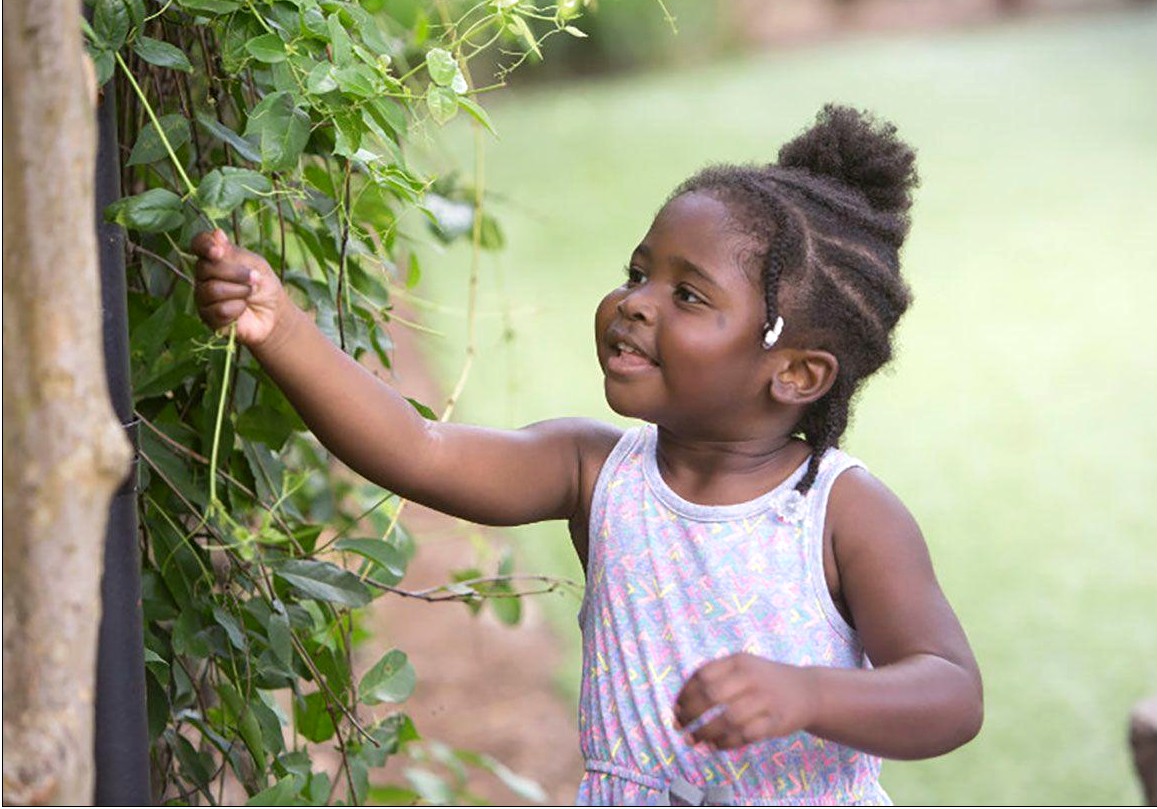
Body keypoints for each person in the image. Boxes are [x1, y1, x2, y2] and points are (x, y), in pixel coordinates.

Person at [193, 104, 983, 806]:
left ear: (796, 372)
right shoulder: (593, 470)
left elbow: (948, 691)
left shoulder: (840, 511)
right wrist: (282, 328)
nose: (634, 302)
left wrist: (809, 693)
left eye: (688, 295)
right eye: (638, 273)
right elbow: (415, 450)